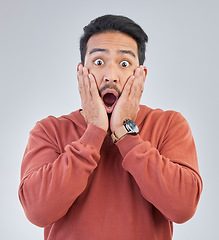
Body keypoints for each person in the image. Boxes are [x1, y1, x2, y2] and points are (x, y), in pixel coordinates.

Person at [18, 15, 203, 240]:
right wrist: (94, 131)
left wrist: (125, 133)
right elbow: (38, 211)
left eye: (124, 64)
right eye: (98, 62)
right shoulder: (49, 131)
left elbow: (182, 208)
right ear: (81, 72)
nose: (111, 76)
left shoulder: (169, 125)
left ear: (141, 75)